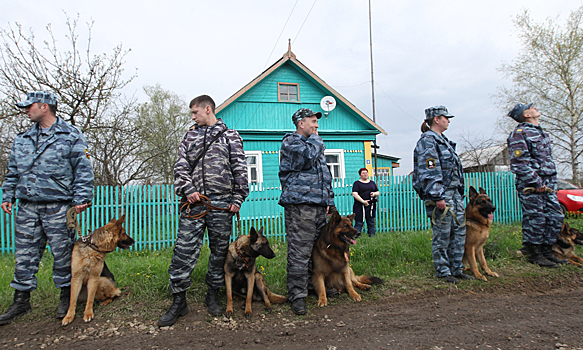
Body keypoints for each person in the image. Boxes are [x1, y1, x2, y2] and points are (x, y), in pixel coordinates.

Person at [0, 91, 94, 325]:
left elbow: (83, 168)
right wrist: (7, 194)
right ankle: (21, 301)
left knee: (63, 256)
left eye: (29, 106)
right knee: (24, 256)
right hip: (28, 207)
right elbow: (12, 170)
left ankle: (66, 298)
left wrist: (81, 197)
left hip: (58, 206)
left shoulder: (70, 135)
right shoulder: (22, 139)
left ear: (44, 107)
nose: (25, 110)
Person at [158, 95, 249, 327]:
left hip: (221, 205)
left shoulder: (230, 136)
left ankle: (213, 295)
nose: (193, 117)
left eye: (194, 112)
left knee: (219, 252)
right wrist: (188, 189)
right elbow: (180, 166)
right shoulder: (190, 136)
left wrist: (238, 198)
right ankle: (179, 301)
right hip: (194, 204)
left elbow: (240, 168)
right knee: (183, 251)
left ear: (207, 109)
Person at [279, 108, 335, 315]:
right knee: (299, 253)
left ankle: (313, 287)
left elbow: (324, 175)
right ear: (301, 123)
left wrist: (330, 201)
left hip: (319, 205)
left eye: (317, 122)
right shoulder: (292, 142)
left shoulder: (313, 143)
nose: (317, 125)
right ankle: (297, 295)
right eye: (313, 121)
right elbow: (309, 156)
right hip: (300, 205)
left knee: (318, 250)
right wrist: (318, 140)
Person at [412, 105, 474, 284]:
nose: (448, 120)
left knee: (458, 231)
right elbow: (429, 171)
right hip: (442, 195)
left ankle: (457, 268)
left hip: (455, 194)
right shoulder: (428, 141)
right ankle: (443, 270)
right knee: (443, 233)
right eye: (445, 117)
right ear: (436, 119)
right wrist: (438, 196)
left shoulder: (443, 140)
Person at [506, 103, 567, 268]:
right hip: (533, 185)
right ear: (526, 114)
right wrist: (537, 182)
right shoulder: (519, 134)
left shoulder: (541, 133)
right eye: (531, 108)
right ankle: (534, 254)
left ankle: (547, 251)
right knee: (536, 219)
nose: (535, 108)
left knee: (555, 216)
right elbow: (519, 164)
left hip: (549, 185)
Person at [352, 168, 380, 237]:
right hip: (360, 206)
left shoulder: (372, 183)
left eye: (366, 173)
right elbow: (354, 194)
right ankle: (356, 238)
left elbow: (378, 192)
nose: (365, 174)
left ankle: (372, 238)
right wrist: (363, 202)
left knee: (371, 223)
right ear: (360, 175)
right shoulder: (357, 183)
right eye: (363, 173)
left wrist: (374, 194)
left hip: (371, 206)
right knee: (359, 223)